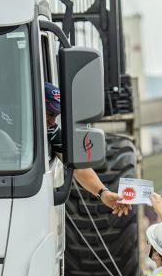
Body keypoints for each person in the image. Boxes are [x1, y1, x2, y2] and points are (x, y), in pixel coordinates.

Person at [44, 82, 129, 216]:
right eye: (49, 113)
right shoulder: (4, 120)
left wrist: (103, 193)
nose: (52, 121)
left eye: (55, 115)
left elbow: (78, 167)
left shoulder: (52, 131)